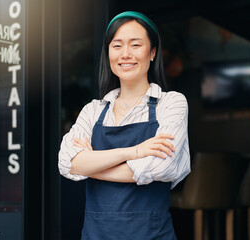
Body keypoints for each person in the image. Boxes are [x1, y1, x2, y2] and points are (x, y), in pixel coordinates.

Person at [58, 11, 191, 239]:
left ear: (152, 53)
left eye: (135, 45)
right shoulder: (93, 110)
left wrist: (92, 166)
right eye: (117, 45)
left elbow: (161, 167)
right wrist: (134, 151)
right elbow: (66, 163)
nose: (125, 54)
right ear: (108, 53)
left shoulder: (171, 103)